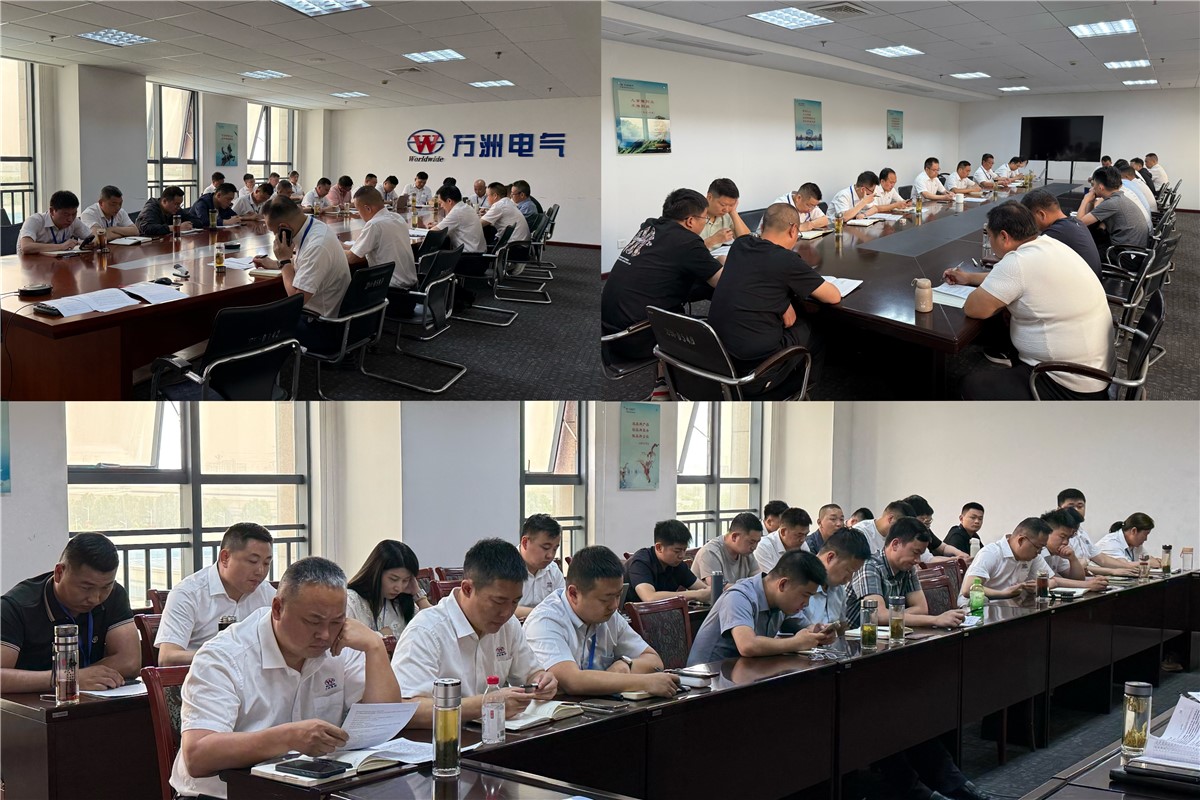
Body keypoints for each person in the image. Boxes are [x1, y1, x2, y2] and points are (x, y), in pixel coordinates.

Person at [170, 557, 400, 799]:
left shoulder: (340, 644)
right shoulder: (224, 656)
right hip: (221, 795)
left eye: (336, 622)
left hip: (306, 790)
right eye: (313, 621)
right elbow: (198, 756)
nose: (324, 634)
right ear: (278, 609)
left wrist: (375, 647)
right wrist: (289, 738)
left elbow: (383, 720)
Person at [945, 202, 1114, 401]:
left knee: (970, 385)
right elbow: (1014, 280)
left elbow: (974, 308)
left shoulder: (1017, 262)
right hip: (1096, 372)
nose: (989, 242)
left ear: (1004, 237)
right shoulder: (1050, 245)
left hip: (1065, 385)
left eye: (989, 236)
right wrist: (969, 278)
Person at [391, 539, 558, 728]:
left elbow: (530, 673)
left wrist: (541, 680)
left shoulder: (508, 624)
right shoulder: (426, 631)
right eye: (498, 601)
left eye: (514, 602)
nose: (506, 612)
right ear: (468, 589)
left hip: (495, 734)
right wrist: (486, 704)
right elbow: (407, 710)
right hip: (441, 739)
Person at [525, 546, 679, 698]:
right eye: (605, 599)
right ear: (573, 594)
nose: (614, 605)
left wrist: (625, 664)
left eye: (618, 596)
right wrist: (644, 682)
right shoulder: (545, 621)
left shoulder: (610, 616)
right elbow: (572, 681)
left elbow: (654, 660)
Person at [709, 203, 842, 377]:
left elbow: (754, 275)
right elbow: (833, 296)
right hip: (754, 369)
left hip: (717, 353)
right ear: (793, 230)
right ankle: (798, 386)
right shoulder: (787, 259)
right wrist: (784, 302)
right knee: (814, 329)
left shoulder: (740, 245)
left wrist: (783, 303)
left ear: (763, 226)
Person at [1, 533, 140, 693]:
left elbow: (130, 662)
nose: (95, 598)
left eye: (106, 587)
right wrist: (67, 678)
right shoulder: (17, 607)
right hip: (33, 704)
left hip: (93, 699)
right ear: (59, 572)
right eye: (86, 588)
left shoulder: (114, 595)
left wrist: (81, 677)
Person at [601, 188, 722, 360]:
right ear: (690, 221)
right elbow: (723, 282)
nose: (705, 223)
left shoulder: (650, 226)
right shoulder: (687, 241)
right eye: (705, 218)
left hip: (608, 329)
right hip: (635, 337)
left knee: (696, 286)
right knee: (715, 333)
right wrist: (723, 263)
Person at [156, 523, 277, 666]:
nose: (260, 571)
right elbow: (167, 658)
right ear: (225, 557)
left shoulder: (266, 593)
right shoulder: (188, 594)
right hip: (200, 676)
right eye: (253, 561)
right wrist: (223, 655)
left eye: (266, 563)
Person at [687, 550, 833, 665]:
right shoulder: (739, 596)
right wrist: (797, 643)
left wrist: (819, 633)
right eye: (805, 595)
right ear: (783, 584)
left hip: (742, 674)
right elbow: (747, 646)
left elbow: (806, 628)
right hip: (708, 681)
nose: (806, 603)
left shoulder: (783, 604)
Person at [251, 196, 351, 344]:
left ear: (284, 228)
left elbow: (296, 300)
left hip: (322, 327)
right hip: (325, 314)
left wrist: (284, 261)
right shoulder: (315, 227)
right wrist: (276, 264)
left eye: (273, 231)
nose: (274, 236)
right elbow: (305, 262)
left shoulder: (317, 246)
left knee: (255, 324)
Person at [846, 517, 965, 629]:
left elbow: (921, 608)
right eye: (915, 552)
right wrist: (935, 620)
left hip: (887, 635)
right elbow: (877, 616)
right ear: (895, 544)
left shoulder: (908, 568)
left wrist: (890, 616)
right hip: (855, 638)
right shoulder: (869, 565)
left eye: (920, 554)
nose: (918, 560)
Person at [345, 540, 431, 637]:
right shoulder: (351, 601)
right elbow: (342, 642)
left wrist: (418, 596)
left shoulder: (401, 602)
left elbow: (435, 627)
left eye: (405, 580)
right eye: (393, 579)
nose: (399, 588)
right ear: (376, 573)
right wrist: (379, 635)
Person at [961, 518, 1055, 602]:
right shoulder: (991, 553)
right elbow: (969, 589)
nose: (1039, 552)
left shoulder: (1032, 557)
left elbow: (1052, 580)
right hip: (976, 608)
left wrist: (1038, 586)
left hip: (1007, 605)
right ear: (1021, 540)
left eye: (1042, 548)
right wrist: (1004, 594)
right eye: (1038, 547)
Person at [345, 186, 416, 296]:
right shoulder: (397, 217)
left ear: (368, 209)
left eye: (358, 210)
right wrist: (340, 245)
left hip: (391, 292)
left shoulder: (374, 224)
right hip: (410, 289)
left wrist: (334, 249)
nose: (359, 214)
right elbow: (360, 248)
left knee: (346, 292)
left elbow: (351, 258)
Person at [795, 527, 871, 628]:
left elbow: (842, 628)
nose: (849, 579)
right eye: (848, 570)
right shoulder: (798, 580)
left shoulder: (839, 590)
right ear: (830, 557)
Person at [1019, 189, 1101, 278]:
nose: (1030, 224)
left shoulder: (1053, 234)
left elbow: (1029, 264)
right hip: (1095, 282)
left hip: (1080, 285)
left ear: (1041, 214)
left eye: (1030, 220)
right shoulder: (1074, 223)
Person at [625, 520, 710, 603]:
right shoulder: (640, 563)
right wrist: (695, 594)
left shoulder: (677, 565)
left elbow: (704, 589)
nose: (682, 556)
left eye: (684, 550)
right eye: (677, 551)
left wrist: (707, 592)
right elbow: (650, 597)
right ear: (659, 548)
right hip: (628, 612)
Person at [1056, 489, 1136, 577]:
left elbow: (1101, 559)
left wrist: (1129, 567)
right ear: (1059, 509)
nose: (1076, 510)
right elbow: (1068, 568)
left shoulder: (1082, 533)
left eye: (1080, 506)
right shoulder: (1059, 535)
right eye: (1071, 507)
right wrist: (1112, 571)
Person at [1076, 166, 1150, 251]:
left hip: (1125, 253)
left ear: (1100, 187)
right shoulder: (1118, 197)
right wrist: (1091, 202)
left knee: (1083, 247)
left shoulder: (1111, 203)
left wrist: (1085, 200)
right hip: (1134, 247)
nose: (1092, 188)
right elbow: (1088, 220)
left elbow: (1079, 224)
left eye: (1093, 184)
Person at [1039, 509, 1108, 591]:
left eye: (1068, 538)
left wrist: (1073, 559)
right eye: (1062, 537)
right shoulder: (1037, 551)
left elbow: (1078, 579)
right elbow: (1050, 580)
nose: (1066, 542)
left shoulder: (1057, 552)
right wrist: (1088, 584)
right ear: (1046, 532)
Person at [515, 514, 565, 621]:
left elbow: (563, 606)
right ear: (525, 542)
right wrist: (542, 613)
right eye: (545, 547)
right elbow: (503, 607)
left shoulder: (553, 570)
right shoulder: (505, 567)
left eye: (555, 549)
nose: (550, 555)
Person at [691, 512, 764, 586]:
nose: (754, 547)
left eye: (757, 542)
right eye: (751, 542)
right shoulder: (710, 552)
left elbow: (759, 581)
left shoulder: (747, 553)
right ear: (734, 537)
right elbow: (717, 587)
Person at [17, 190, 94, 254]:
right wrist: (61, 246)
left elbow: (92, 237)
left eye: (74, 214)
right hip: (30, 264)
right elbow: (26, 247)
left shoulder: (74, 221)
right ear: (52, 211)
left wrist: (91, 244)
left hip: (58, 263)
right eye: (66, 214)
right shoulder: (35, 220)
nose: (70, 219)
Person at [902, 495, 971, 562]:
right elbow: (929, 560)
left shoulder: (924, 530)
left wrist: (960, 554)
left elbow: (943, 548)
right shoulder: (909, 535)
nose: (926, 524)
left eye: (929, 521)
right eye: (922, 519)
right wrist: (955, 560)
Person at [426, 183, 486, 253]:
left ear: (449, 201)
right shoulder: (466, 207)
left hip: (469, 255)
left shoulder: (457, 212)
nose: (441, 206)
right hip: (478, 252)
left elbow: (433, 232)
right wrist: (438, 226)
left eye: (441, 202)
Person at [756, 507, 812, 574]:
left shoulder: (802, 544)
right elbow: (771, 578)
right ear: (783, 532)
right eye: (799, 535)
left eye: (806, 534)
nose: (803, 539)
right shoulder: (763, 546)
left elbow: (810, 573)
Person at [700, 177, 752, 249]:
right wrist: (713, 240)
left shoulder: (727, 215)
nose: (726, 210)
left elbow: (748, 242)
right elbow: (686, 249)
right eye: (723, 205)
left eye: (731, 205)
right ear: (709, 197)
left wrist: (733, 212)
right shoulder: (694, 213)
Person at [1094, 513, 1160, 568]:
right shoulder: (1111, 542)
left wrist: (1156, 561)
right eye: (1145, 534)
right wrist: (1147, 563)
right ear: (1134, 531)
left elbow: (1148, 559)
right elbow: (1123, 566)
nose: (1146, 539)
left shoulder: (1135, 544)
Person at [480, 181, 530, 246]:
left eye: (487, 196)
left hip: (514, 246)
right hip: (521, 243)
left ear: (495, 196)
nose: (487, 198)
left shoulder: (499, 206)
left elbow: (479, 224)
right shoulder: (507, 202)